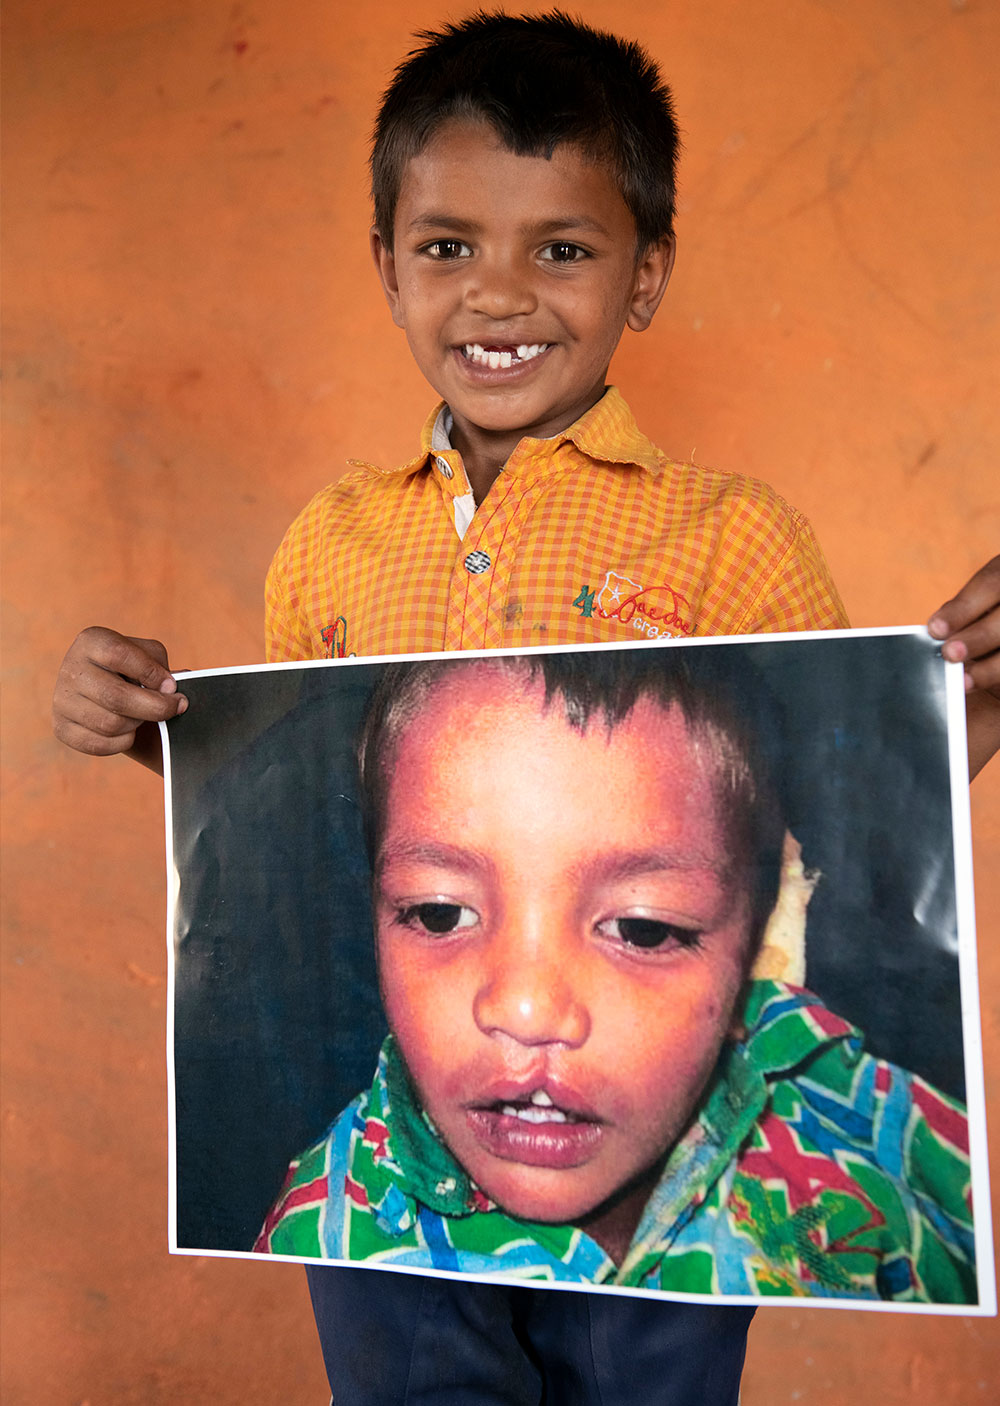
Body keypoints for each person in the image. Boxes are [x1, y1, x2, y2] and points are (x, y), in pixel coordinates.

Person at [51, 10, 999, 1404]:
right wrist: (166, 741)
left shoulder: (734, 538)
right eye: (448, 247)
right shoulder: (330, 545)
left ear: (647, 272)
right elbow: (309, 807)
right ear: (386, 267)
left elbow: (846, 806)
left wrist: (969, 705)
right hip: (418, 1178)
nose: (500, 295)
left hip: (655, 1163)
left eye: (562, 247)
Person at [253, 649, 975, 1306]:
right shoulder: (324, 1237)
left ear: (750, 952)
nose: (528, 1009)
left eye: (643, 928)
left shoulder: (859, 1122)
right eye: (440, 914)